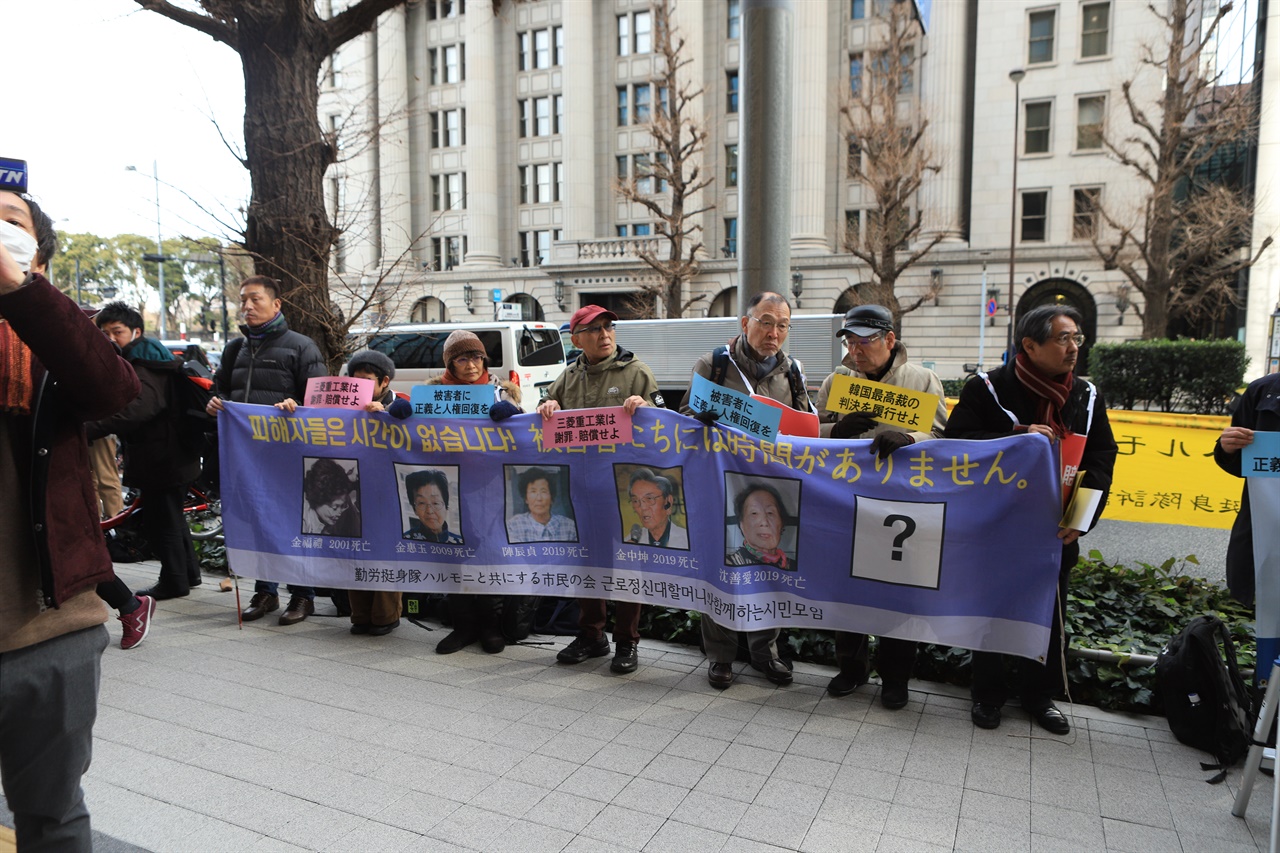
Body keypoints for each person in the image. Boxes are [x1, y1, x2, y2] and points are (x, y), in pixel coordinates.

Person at [0, 189, 140, 850]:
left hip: (50, 627)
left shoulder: (58, 336)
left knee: (53, 816)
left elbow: (114, 391)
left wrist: (18, 293)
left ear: (40, 254)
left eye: (9, 220)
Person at [944, 304, 1116, 734]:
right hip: (995, 524)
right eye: (1063, 339)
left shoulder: (1086, 396)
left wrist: (1081, 517)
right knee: (993, 610)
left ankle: (1041, 697)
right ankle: (987, 694)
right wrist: (1016, 436)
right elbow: (957, 443)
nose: (1074, 347)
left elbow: (1101, 458)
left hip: (1055, 529)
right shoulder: (988, 388)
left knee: (1049, 613)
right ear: (1029, 345)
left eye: (1077, 338)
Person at [814, 303, 948, 710]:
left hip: (901, 504)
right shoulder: (836, 381)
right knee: (846, 587)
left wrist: (911, 437)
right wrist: (835, 429)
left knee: (898, 590)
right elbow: (809, 434)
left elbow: (943, 436)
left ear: (890, 340)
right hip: (846, 500)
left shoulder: (923, 381)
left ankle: (896, 677)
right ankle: (852, 668)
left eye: (865, 341)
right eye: (850, 342)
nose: (856, 350)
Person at [680, 291, 813, 689]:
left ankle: (764, 653)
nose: (774, 332)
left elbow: (805, 424)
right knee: (720, 568)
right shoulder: (714, 365)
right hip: (721, 487)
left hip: (772, 489)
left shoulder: (793, 372)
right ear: (745, 323)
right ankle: (720, 656)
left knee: (770, 567)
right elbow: (684, 418)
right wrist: (698, 418)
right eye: (766, 321)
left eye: (783, 325)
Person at [538, 304, 663, 674]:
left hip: (624, 493)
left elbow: (662, 425)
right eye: (594, 330)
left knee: (627, 567)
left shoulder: (637, 373)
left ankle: (627, 641)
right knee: (585, 564)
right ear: (576, 339)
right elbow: (545, 413)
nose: (604, 335)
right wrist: (546, 404)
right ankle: (592, 636)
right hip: (580, 490)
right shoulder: (568, 376)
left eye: (608, 327)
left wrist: (645, 408)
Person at [207, 276, 326, 625]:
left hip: (289, 455)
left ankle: (303, 596)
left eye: (255, 300)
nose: (247, 307)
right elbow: (220, 391)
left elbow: (318, 404)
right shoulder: (234, 349)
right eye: (243, 300)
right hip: (246, 456)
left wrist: (297, 407)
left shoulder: (302, 347)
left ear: (276, 305)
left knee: (294, 522)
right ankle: (265, 593)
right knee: (259, 522)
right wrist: (214, 403)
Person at [87, 302, 203, 602]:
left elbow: (139, 410)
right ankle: (188, 573)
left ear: (136, 331)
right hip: (173, 454)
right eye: (105, 332)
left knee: (161, 520)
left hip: (162, 457)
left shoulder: (144, 363)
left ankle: (174, 580)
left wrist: (88, 428)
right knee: (172, 516)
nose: (111, 338)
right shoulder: (151, 356)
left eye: (118, 332)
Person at [422, 330, 521, 653]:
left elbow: (526, 435)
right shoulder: (434, 394)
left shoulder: (501, 392)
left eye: (477, 357)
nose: (471, 364)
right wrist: (402, 415)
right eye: (462, 358)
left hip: (489, 487)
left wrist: (514, 415)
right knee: (453, 555)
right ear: (450, 363)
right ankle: (463, 626)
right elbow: (413, 432)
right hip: (446, 486)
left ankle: (491, 626)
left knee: (488, 554)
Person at [1214, 375, 1280, 608]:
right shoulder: (1262, 391)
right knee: (1250, 613)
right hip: (1259, 528)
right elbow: (1241, 463)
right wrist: (1227, 448)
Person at [726, 482, 795, 569]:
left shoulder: (794, 567)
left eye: (770, 513)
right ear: (742, 525)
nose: (764, 522)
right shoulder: (729, 565)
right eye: (754, 513)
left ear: (781, 523)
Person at [507, 466, 578, 543]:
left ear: (552, 498)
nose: (539, 498)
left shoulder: (570, 527)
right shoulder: (514, 526)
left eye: (543, 491)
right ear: (526, 499)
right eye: (533, 492)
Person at [626, 468, 687, 548]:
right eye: (635, 501)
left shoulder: (688, 540)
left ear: (668, 502)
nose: (643, 507)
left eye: (649, 499)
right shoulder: (629, 543)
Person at [302, 458, 360, 537]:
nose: (339, 513)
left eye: (343, 506)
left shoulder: (340, 498)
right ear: (318, 499)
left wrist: (352, 476)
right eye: (335, 507)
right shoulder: (303, 520)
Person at [403, 469, 464, 543]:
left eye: (435, 503)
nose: (429, 511)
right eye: (422, 503)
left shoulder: (460, 542)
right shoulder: (405, 542)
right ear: (414, 509)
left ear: (446, 506)